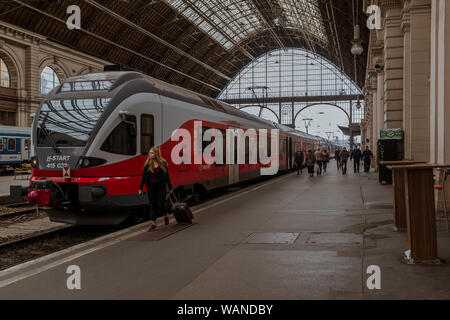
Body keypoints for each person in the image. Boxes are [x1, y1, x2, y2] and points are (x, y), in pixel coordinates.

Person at [139, 146, 174, 231]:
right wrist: (140, 188)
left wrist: (170, 187)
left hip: (160, 187)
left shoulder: (163, 164)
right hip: (151, 187)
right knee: (152, 205)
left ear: (156, 154)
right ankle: (153, 223)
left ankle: (165, 215)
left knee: (160, 204)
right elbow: (143, 177)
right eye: (149, 153)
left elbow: (167, 177)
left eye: (152, 153)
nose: (150, 154)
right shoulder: (147, 164)